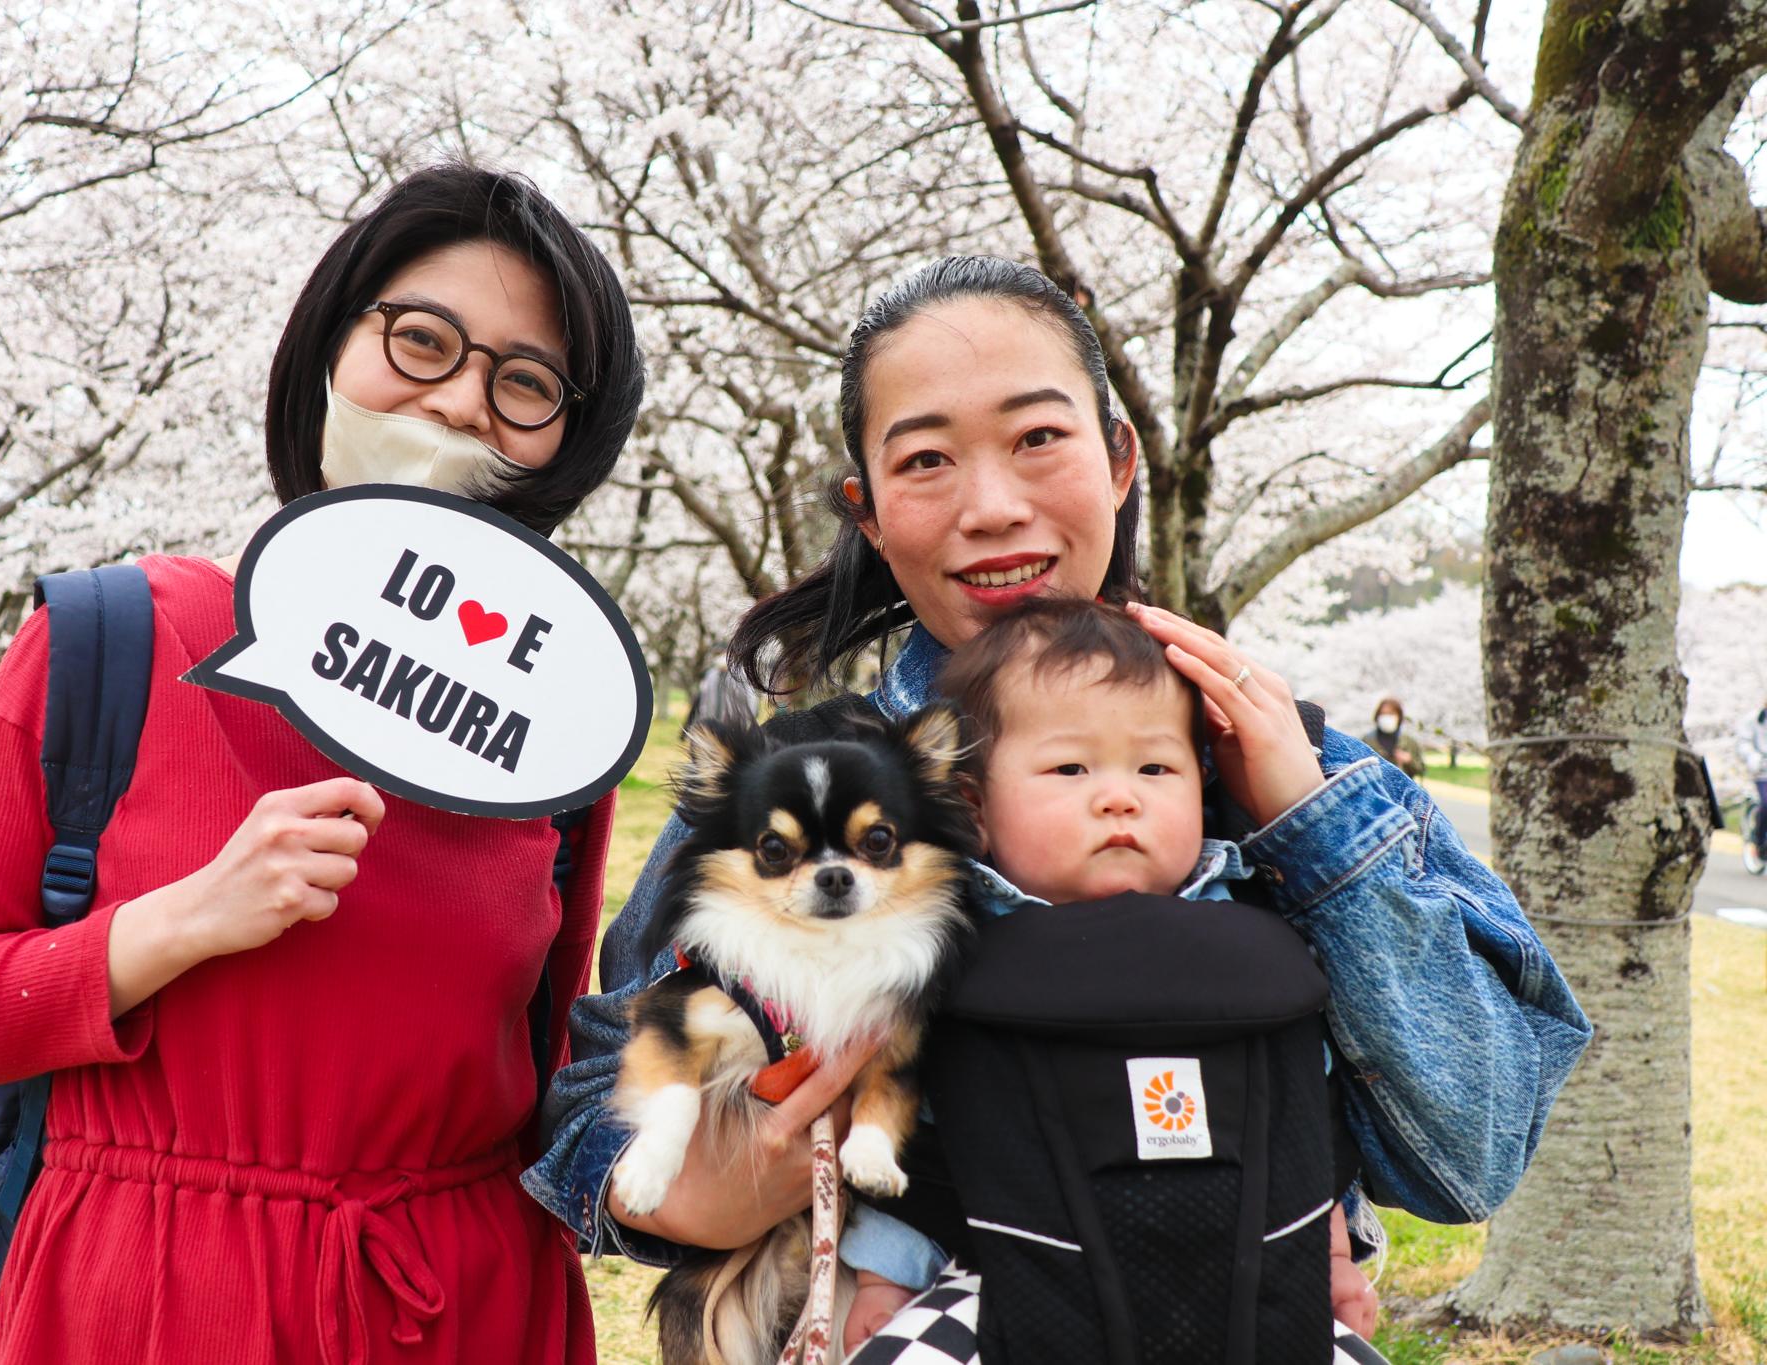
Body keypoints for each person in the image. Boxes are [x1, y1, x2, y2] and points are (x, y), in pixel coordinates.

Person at [526, 254, 1590, 1359]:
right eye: (925, 460)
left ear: (1120, 457)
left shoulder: (1286, 767)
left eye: (1038, 438)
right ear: (871, 513)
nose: (992, 508)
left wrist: (1308, 824)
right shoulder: (795, 789)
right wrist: (714, 1180)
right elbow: (589, 1118)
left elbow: (1464, 1157)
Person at [0, 163, 644, 1365]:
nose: (457, 405)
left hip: (459, 1303)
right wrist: (181, 920)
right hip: (143, 1298)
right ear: (328, 346)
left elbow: (542, 1069)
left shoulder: (554, 729)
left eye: (525, 382)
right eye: (421, 340)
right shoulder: (110, 639)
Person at [842, 597, 1380, 1360]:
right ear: (973, 806)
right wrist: (882, 1281)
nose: (1120, 795)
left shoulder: (1260, 940)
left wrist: (1329, 1258)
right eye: (1070, 768)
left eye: (1156, 767)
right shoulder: (956, 959)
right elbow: (920, 1141)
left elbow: (1304, 1117)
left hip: (1251, 1283)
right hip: (1011, 1283)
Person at [1736, 699, 1767, 874]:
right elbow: (1742, 744)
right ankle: (1759, 840)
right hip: (1763, 772)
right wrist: (1753, 757)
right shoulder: (1753, 720)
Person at [1361, 697, 1426, 780]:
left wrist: (1409, 761)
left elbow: (1422, 770)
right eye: (1383, 714)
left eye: (1391, 714)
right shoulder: (1367, 741)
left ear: (1399, 716)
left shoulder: (1409, 742)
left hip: (1403, 790)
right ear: (1377, 716)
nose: (1386, 717)